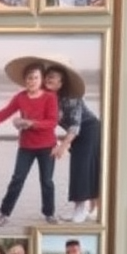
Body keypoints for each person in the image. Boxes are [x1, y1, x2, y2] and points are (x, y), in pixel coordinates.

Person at [0, 58, 59, 225]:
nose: (31, 81)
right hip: (26, 146)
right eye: (28, 78)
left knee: (47, 181)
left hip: (47, 146)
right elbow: (4, 113)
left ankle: (49, 213)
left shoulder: (50, 97)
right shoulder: (20, 97)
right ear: (24, 81)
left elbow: (52, 122)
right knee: (17, 179)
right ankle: (4, 214)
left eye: (35, 77)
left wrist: (31, 123)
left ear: (41, 80)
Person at [45, 61, 101, 224]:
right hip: (74, 134)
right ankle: (90, 209)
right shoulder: (47, 98)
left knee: (82, 169)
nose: (48, 79)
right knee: (85, 168)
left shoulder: (72, 97)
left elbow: (76, 125)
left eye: (52, 77)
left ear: (61, 83)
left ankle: (81, 210)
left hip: (89, 129)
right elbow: (48, 123)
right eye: (47, 76)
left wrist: (63, 145)